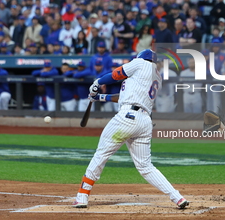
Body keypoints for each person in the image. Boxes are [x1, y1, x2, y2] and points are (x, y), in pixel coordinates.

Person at [72, 49, 188, 209]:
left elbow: (116, 74)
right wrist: (99, 97)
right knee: (146, 167)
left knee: (101, 154)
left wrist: (98, 83)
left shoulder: (140, 63)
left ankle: (82, 197)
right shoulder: (157, 76)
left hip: (126, 118)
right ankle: (177, 197)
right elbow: (124, 96)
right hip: (144, 122)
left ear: (142, 58)